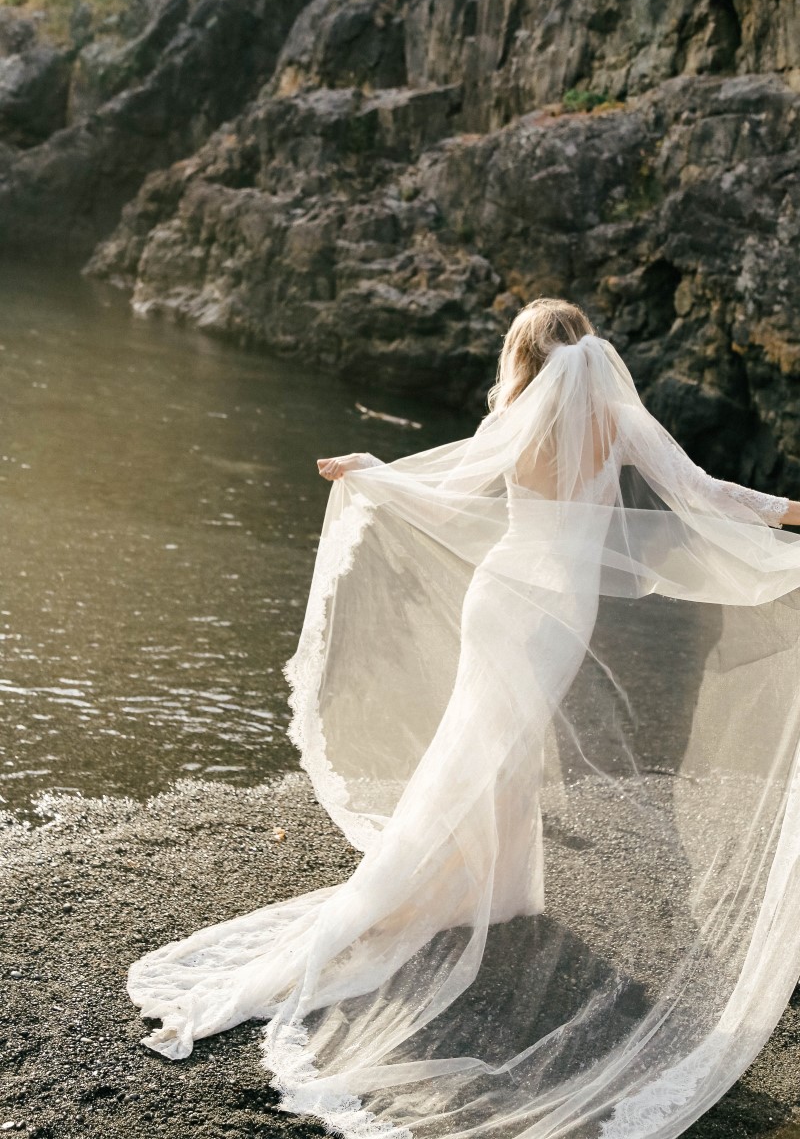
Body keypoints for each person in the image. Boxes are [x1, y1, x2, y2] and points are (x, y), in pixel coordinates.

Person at [128, 298, 800, 1139]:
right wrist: (789, 512)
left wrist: (378, 471)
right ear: (588, 351)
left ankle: (495, 891)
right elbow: (704, 494)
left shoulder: (518, 414)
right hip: (560, 608)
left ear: (525, 353)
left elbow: (449, 501)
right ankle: (446, 890)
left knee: (495, 748)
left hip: (505, 592)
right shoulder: (619, 419)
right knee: (493, 749)